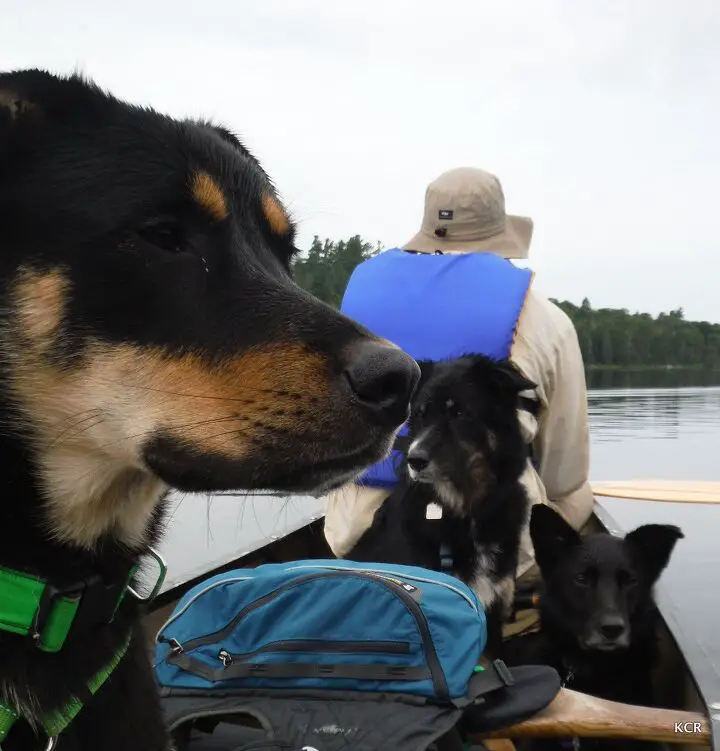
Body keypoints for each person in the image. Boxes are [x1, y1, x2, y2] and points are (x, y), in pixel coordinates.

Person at [323, 167, 594, 618]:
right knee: (578, 493)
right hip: (490, 540)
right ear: (499, 235)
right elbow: (566, 471)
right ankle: (513, 607)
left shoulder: (353, 308)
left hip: (356, 535)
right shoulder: (544, 316)